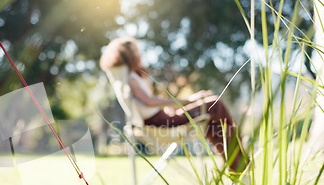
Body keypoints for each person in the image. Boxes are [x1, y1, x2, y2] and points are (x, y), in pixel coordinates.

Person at [99, 36, 248, 172]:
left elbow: (158, 105)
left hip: (163, 118)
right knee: (215, 104)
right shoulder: (130, 79)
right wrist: (192, 100)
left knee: (215, 124)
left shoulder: (134, 76)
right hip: (160, 124)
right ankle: (241, 162)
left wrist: (195, 98)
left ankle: (237, 166)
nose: (140, 55)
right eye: (136, 52)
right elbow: (150, 102)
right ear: (129, 56)